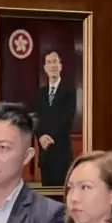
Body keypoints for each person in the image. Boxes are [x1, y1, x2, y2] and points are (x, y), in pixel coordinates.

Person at [33, 51, 76, 187]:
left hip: (62, 155)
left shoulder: (69, 91)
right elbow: (37, 119)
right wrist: (41, 137)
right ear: (45, 68)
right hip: (45, 156)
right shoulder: (40, 93)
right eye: (49, 62)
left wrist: (49, 137)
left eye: (55, 62)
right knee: (47, 196)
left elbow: (67, 119)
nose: (52, 65)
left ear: (60, 66)